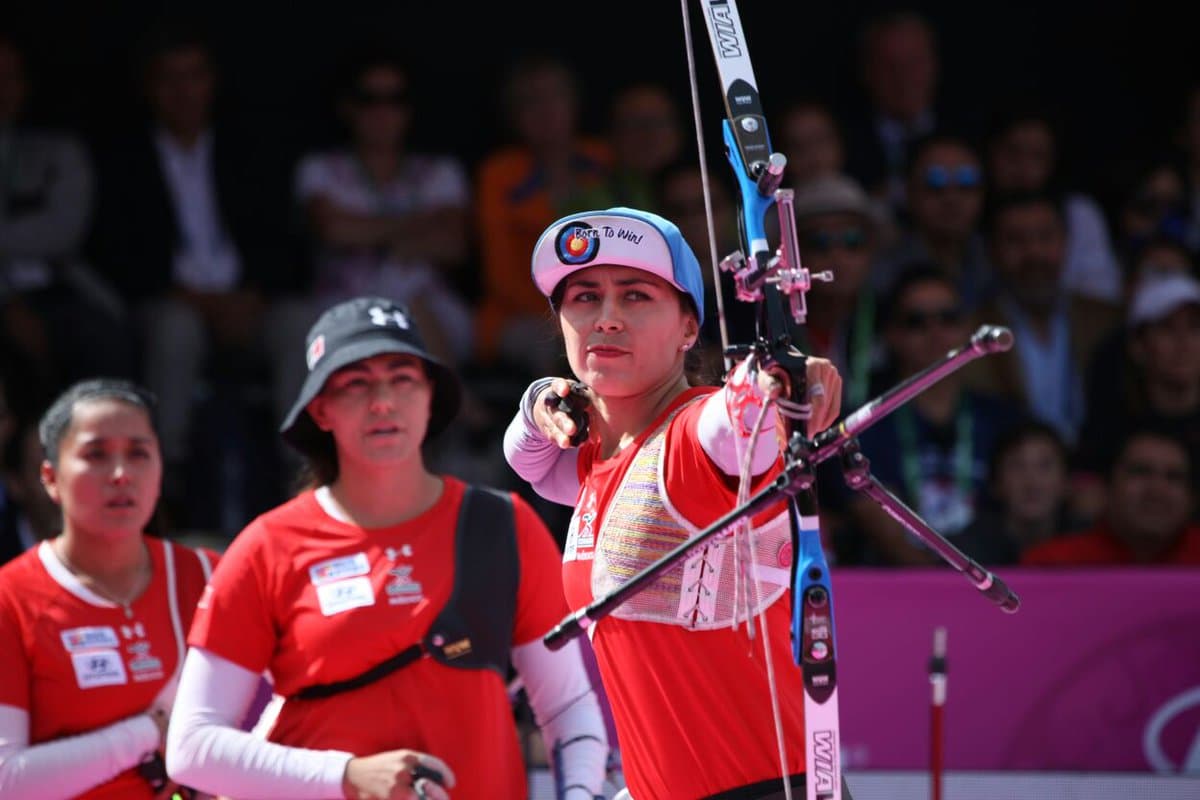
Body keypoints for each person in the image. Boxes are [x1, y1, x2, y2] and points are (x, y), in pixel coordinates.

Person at [166, 296, 608, 800]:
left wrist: (579, 795)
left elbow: (568, 708)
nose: (383, 401)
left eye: (402, 379)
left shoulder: (504, 524)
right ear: (321, 410)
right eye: (356, 384)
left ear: (430, 397)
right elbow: (191, 748)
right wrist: (347, 776)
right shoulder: (267, 547)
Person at [503, 207, 847, 799]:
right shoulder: (591, 458)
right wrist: (540, 399)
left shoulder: (695, 437)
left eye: (636, 296)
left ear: (689, 328)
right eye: (584, 298)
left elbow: (737, 419)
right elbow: (524, 458)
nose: (607, 318)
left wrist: (778, 380)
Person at [0, 378, 219, 798]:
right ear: (50, 478)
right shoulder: (10, 599)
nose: (121, 475)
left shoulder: (209, 576)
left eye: (138, 453)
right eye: (95, 455)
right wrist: (147, 733)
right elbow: (7, 781)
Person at [1023, 426, 1200, 565]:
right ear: (1106, 487)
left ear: (1192, 497)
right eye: (1140, 472)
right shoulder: (1052, 564)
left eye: (1174, 477)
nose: (1157, 491)